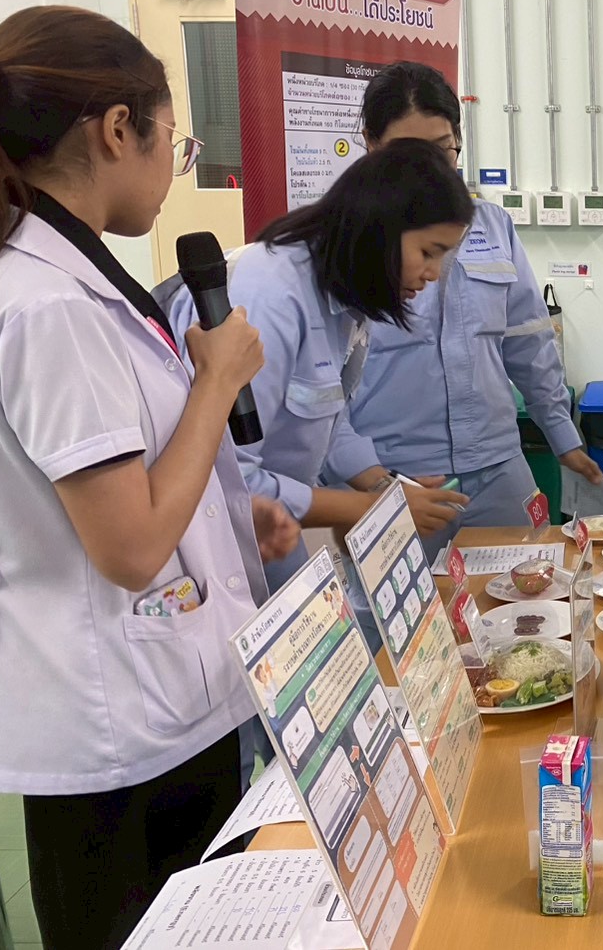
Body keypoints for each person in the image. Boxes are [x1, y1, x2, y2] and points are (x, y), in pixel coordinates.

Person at [0, 5, 299, 949]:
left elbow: (118, 484)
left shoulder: (74, 281)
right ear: (118, 129)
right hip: (118, 736)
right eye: (176, 139)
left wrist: (226, 517)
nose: (175, 165)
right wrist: (217, 381)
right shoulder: (48, 305)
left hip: (164, 705)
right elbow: (127, 547)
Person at [161, 141, 471, 648]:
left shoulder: (343, 293)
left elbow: (326, 413)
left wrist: (380, 485)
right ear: (380, 230)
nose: (433, 274)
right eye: (428, 252)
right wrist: (368, 510)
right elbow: (229, 478)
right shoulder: (269, 297)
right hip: (223, 542)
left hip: (273, 530)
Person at [326, 62, 602, 558]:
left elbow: (529, 342)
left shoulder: (492, 226)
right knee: (402, 608)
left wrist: (562, 435)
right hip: (395, 476)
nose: (426, 173)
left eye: (441, 151)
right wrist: (365, 477)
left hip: (498, 467)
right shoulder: (340, 241)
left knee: (527, 595)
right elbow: (321, 388)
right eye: (406, 154)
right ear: (370, 144)